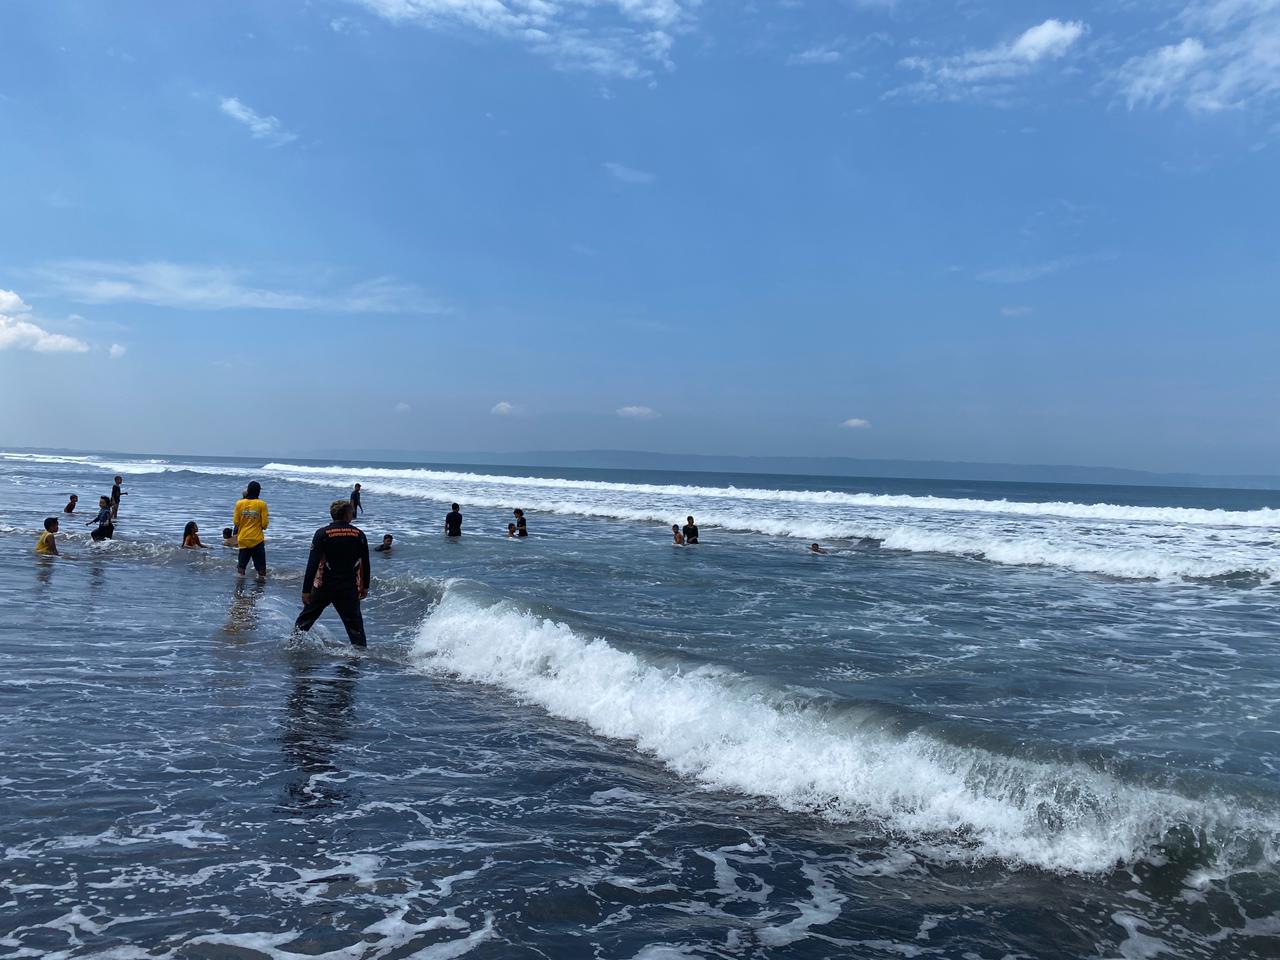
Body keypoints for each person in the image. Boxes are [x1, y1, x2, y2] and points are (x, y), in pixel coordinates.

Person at [294, 499, 370, 648]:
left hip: (324, 586)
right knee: (356, 630)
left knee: (304, 622)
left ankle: (293, 647)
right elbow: (365, 563)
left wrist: (306, 590)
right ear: (348, 515)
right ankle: (359, 661)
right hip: (348, 588)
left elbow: (313, 564)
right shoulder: (359, 535)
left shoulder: (322, 533)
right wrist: (365, 586)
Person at [233, 481, 270, 577]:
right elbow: (265, 524)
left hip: (243, 539)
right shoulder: (262, 504)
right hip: (257, 540)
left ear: (248, 490)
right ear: (258, 492)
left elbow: (236, 522)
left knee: (241, 567)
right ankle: (259, 589)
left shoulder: (239, 503)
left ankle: (239, 587)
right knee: (261, 570)